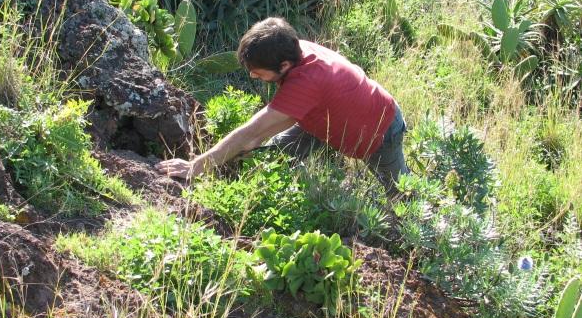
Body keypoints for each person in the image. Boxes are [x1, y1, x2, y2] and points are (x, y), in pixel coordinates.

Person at [155, 17, 409, 195]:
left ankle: (429, 246)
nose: (253, 77)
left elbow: (252, 133)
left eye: (258, 72)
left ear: (285, 66)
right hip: (326, 118)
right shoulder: (295, 49)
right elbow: (264, 129)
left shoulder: (307, 81)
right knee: (276, 155)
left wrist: (195, 167)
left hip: (380, 130)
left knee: (403, 197)